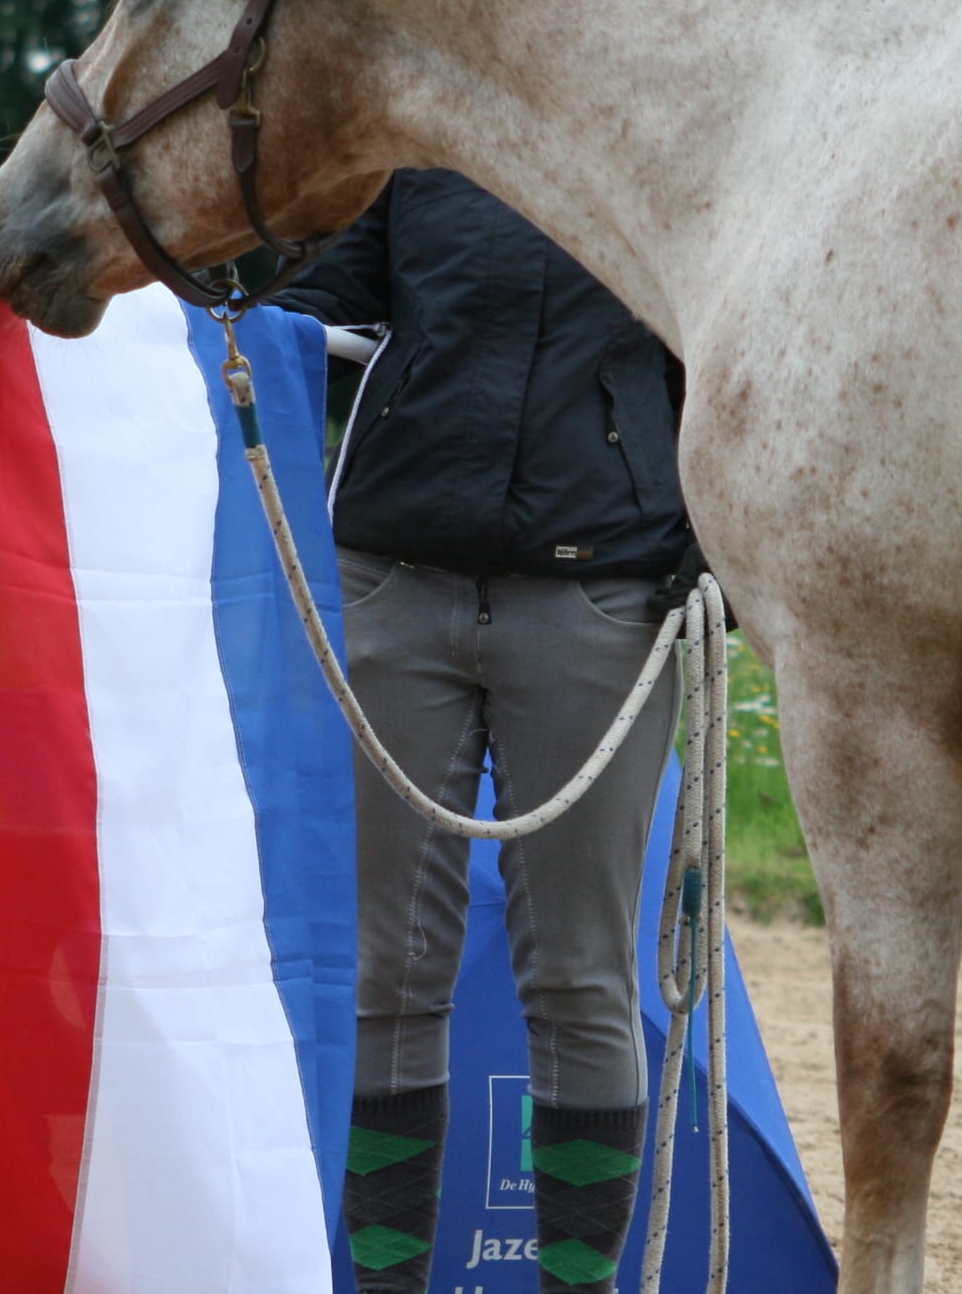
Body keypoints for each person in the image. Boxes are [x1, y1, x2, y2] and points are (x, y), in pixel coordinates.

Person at [281, 169, 696, 1294]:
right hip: (387, 585)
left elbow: (751, 348)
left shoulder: (663, 141)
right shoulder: (413, 149)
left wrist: (722, 554)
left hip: (600, 601)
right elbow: (298, 298)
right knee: (385, 972)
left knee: (580, 977)